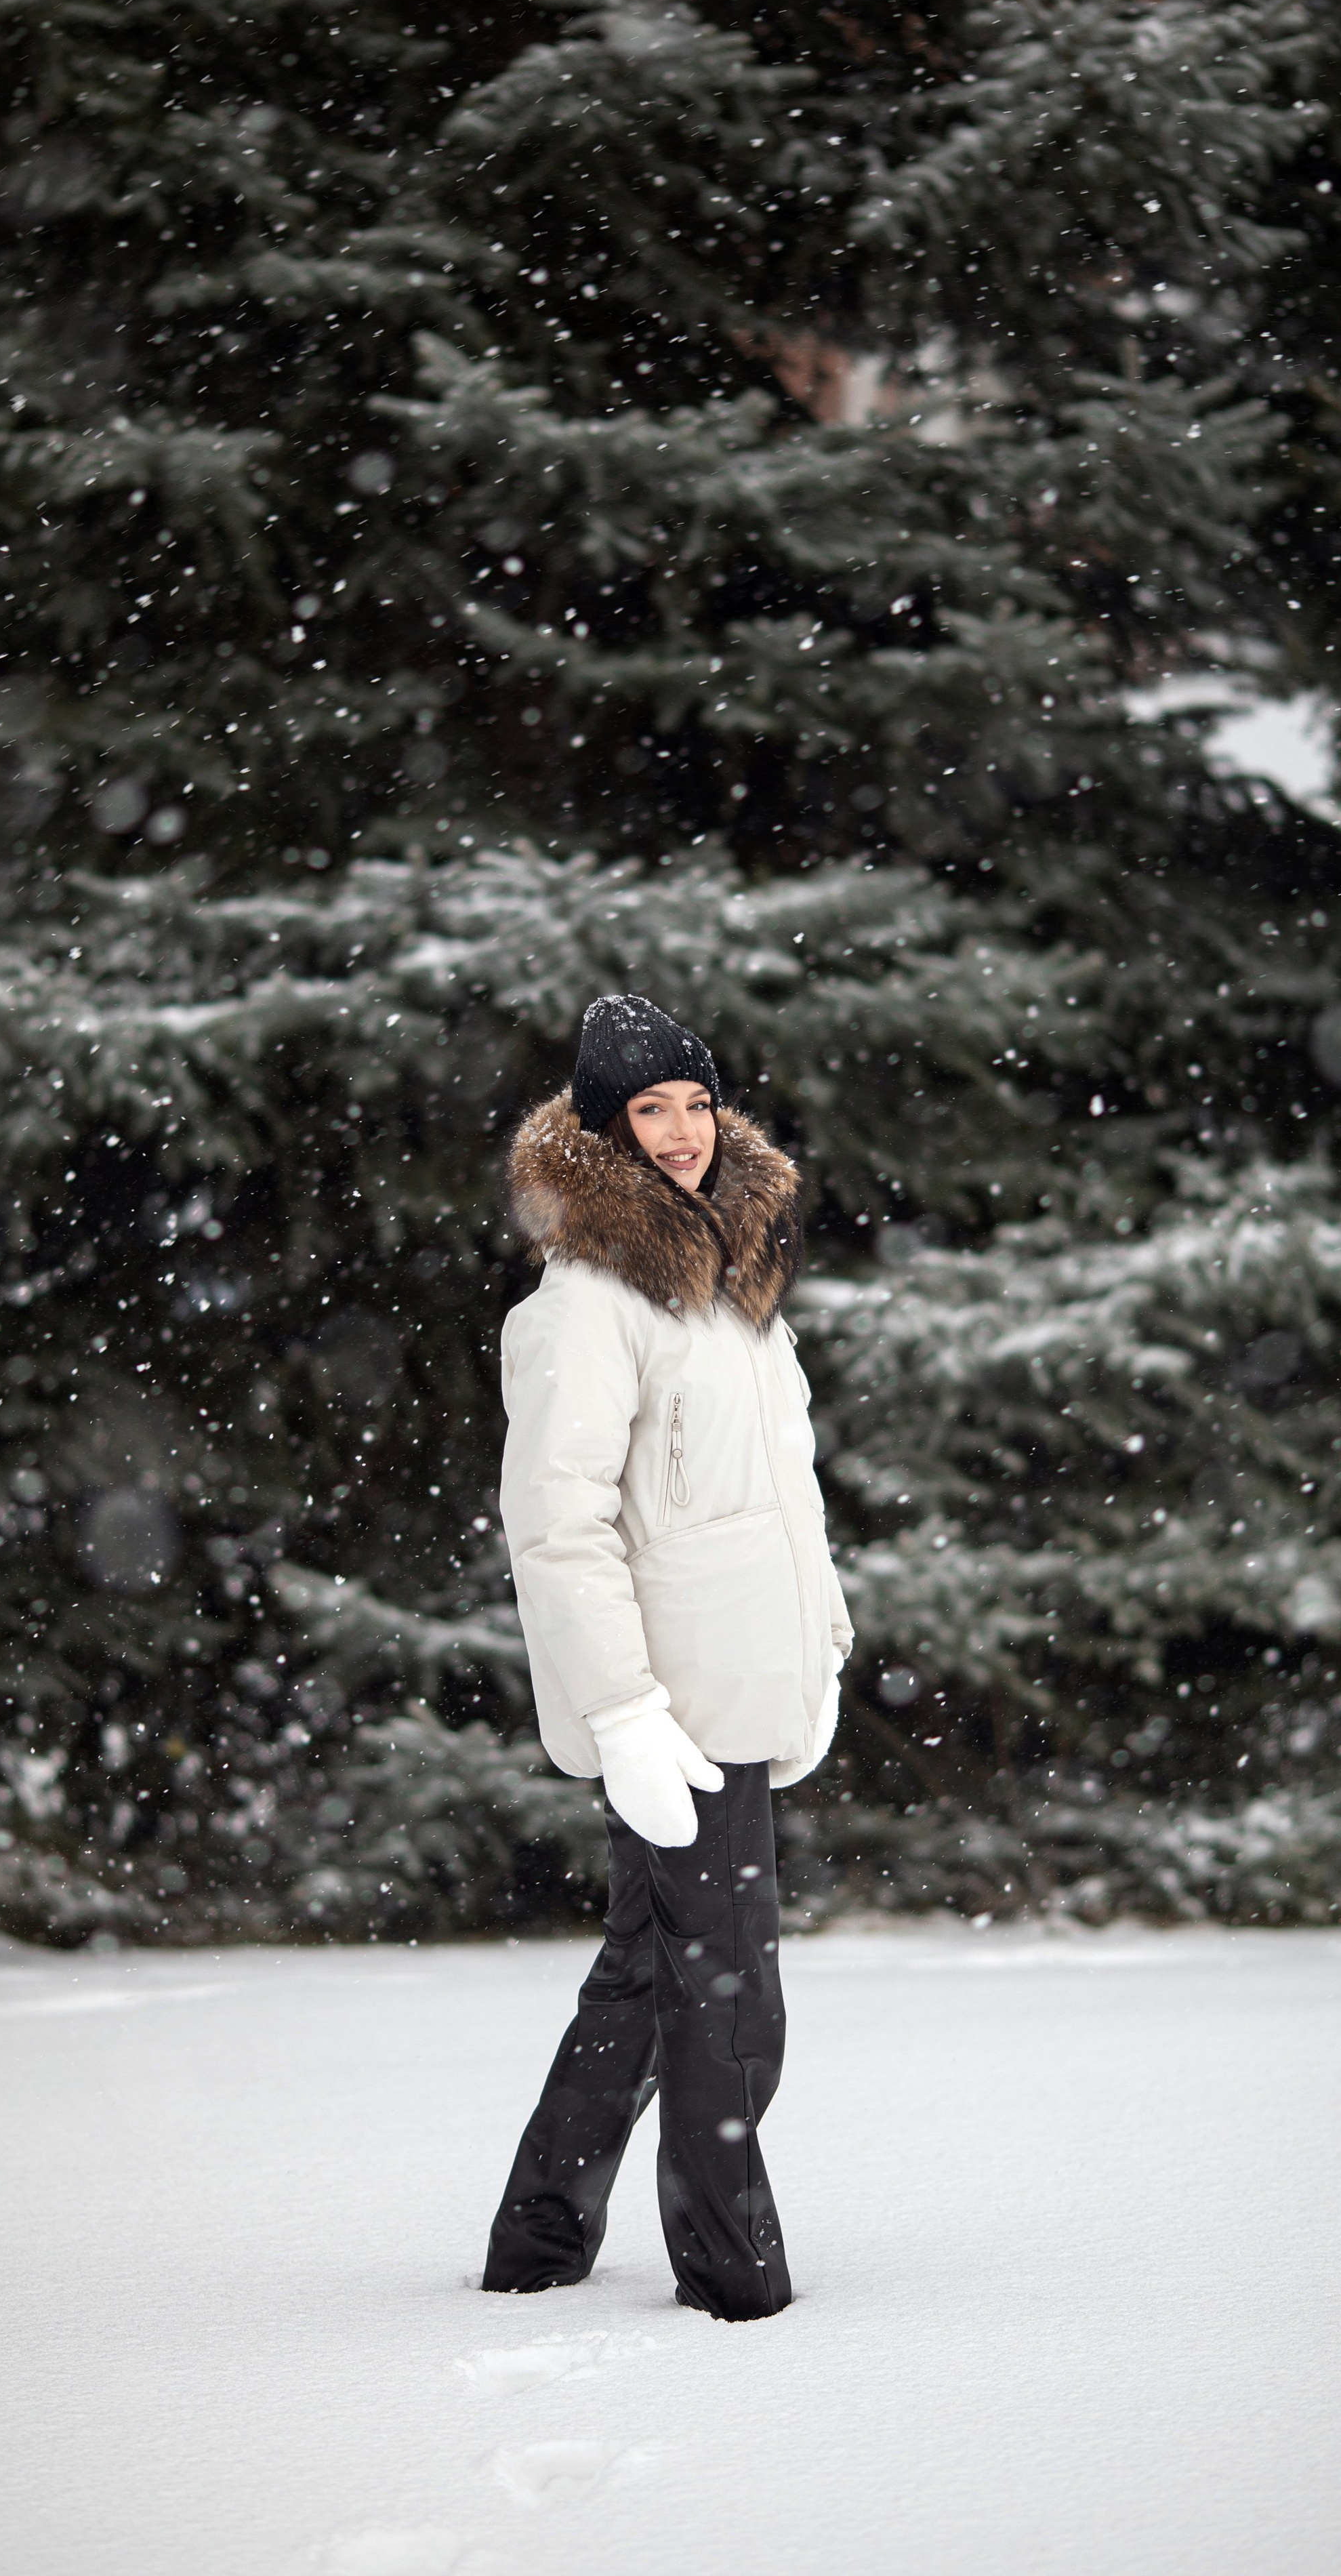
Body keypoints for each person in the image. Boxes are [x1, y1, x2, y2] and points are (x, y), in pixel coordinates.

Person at [482, 992, 853, 2321]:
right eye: (651, 1109)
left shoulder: (731, 1291)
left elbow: (780, 1498)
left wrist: (821, 1639)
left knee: (652, 1972)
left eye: (697, 1104)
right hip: (672, 1709)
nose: (684, 1133)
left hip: (744, 1684)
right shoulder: (590, 1302)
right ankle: (733, 2283)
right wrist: (625, 1712)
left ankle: (533, 2244)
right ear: (603, 1131)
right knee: (727, 1990)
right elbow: (557, 1527)